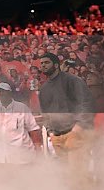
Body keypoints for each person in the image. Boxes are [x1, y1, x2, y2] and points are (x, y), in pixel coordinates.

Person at [38, 52, 94, 180]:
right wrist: (51, 132)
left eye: (46, 63)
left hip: (74, 133)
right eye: (41, 64)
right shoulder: (44, 89)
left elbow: (85, 103)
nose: (43, 66)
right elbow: (45, 113)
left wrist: (79, 126)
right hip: (57, 136)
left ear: (56, 65)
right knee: (65, 175)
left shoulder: (72, 81)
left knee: (79, 173)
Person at [0, 82, 42, 166]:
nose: (2, 94)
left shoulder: (22, 108)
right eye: (0, 91)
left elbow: (33, 129)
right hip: (0, 158)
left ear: (10, 93)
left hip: (22, 157)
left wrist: (38, 149)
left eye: (4, 91)